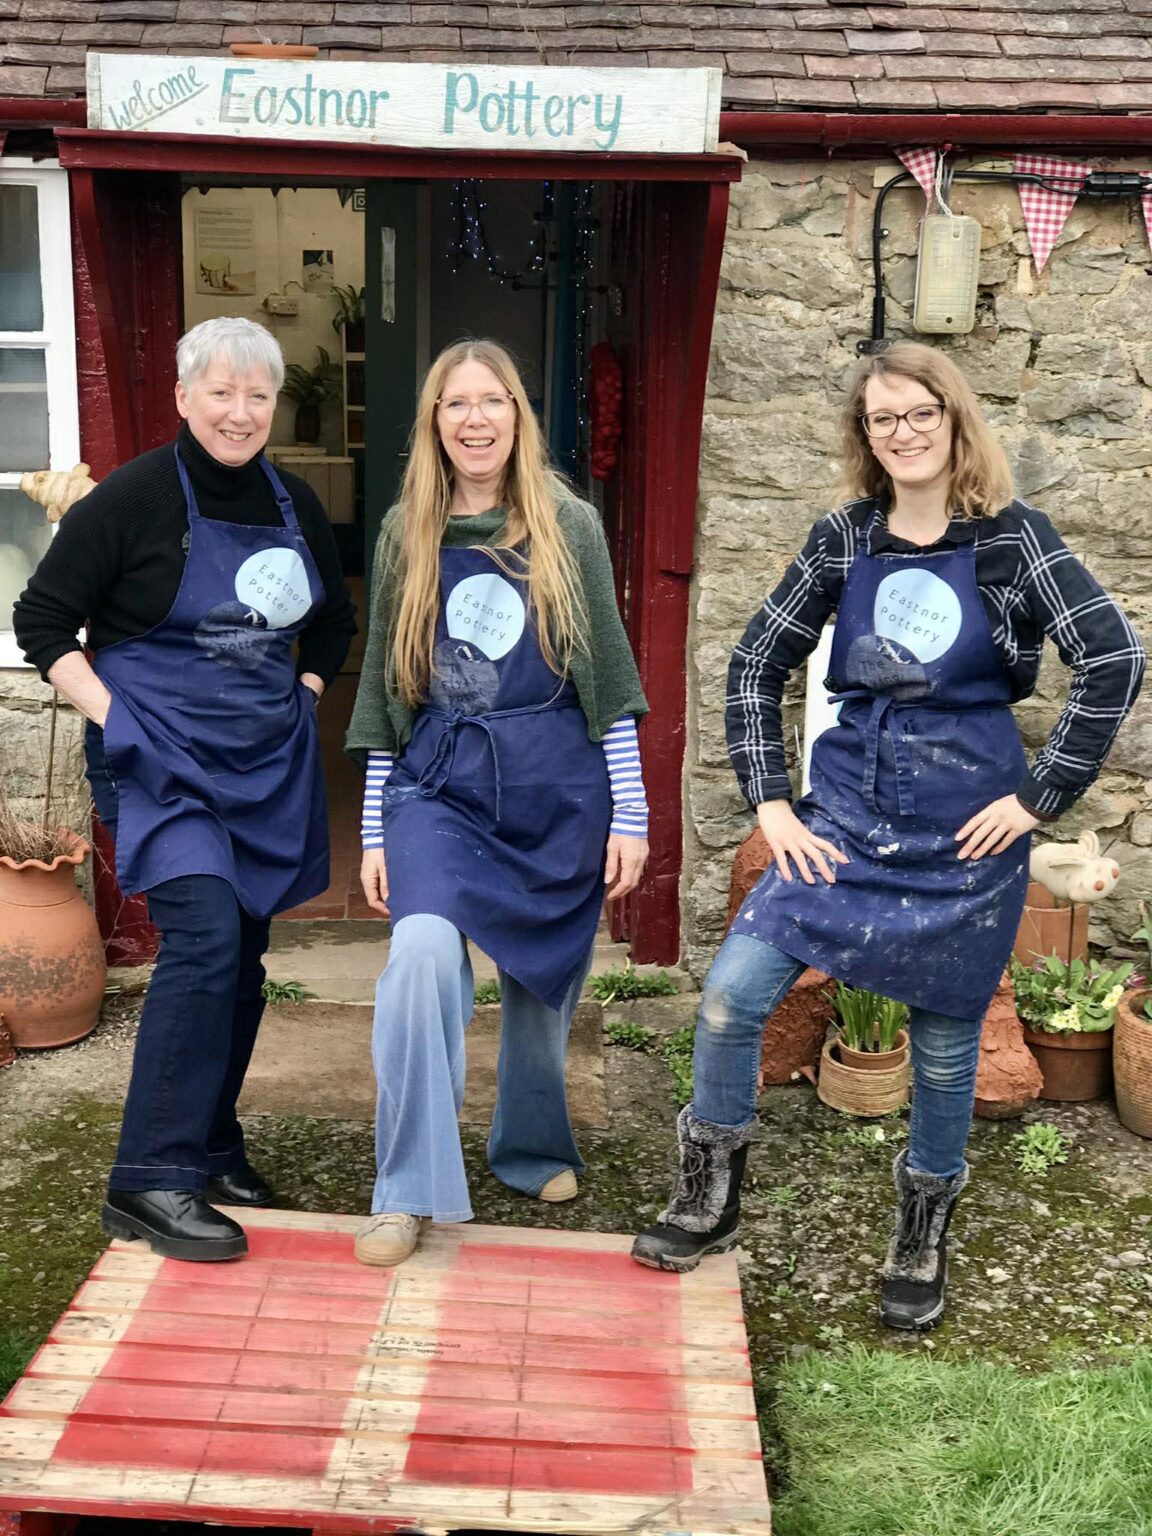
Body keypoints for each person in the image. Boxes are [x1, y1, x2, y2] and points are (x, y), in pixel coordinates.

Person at [631, 342, 1145, 1330]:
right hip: (847, 828)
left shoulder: (1014, 539)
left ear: (954, 422)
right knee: (734, 1001)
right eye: (882, 419)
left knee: (949, 1054)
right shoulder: (844, 540)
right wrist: (773, 804)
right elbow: (752, 666)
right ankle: (709, 1196)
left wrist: (1042, 795)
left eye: (918, 414)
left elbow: (1112, 657)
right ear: (865, 436)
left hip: (965, 837)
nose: (901, 433)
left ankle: (921, 1236)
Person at [14, 316, 356, 1261]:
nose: (240, 412)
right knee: (203, 940)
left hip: (259, 768)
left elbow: (331, 622)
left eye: (258, 395)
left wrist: (307, 691)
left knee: (242, 958)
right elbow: (42, 619)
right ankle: (149, 1178)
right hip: (160, 768)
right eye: (221, 392)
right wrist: (113, 714)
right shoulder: (130, 500)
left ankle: (209, 1143)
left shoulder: (294, 502)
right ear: (183, 397)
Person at [346, 339, 649, 1268]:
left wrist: (630, 810)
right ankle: (406, 1190)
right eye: (454, 404)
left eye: (492, 401)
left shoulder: (568, 524)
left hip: (556, 778)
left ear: (519, 415)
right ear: (433, 424)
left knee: (540, 980)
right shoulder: (408, 529)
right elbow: (386, 681)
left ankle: (528, 1148)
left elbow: (607, 671)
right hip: (440, 781)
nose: (474, 419)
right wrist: (372, 824)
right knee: (423, 956)